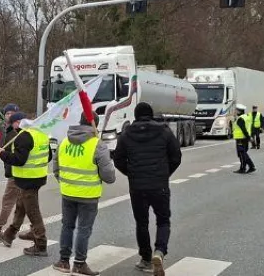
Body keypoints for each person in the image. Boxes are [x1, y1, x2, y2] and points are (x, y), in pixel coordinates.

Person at [111, 101, 181, 276]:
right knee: (163, 220)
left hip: (137, 187)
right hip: (159, 185)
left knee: (141, 223)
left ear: (135, 116)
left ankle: (146, 258)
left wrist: (132, 174)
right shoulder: (164, 130)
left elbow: (118, 159)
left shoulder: (126, 134)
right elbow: (176, 156)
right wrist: (164, 174)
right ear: (151, 114)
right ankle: (160, 251)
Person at [51, 114, 117, 275]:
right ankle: (79, 263)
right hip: (88, 195)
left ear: (80, 122)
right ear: (96, 123)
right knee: (83, 229)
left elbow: (55, 168)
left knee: (67, 226)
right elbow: (109, 176)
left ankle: (63, 261)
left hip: (67, 192)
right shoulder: (97, 144)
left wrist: (66, 182)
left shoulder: (64, 141)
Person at [0, 116, 50, 258]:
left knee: (33, 211)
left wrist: (2, 154)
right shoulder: (41, 134)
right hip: (38, 177)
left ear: (18, 124)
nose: (13, 126)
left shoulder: (23, 137)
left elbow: (19, 160)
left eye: (14, 123)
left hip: (27, 179)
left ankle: (41, 244)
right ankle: (9, 234)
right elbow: (49, 156)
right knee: (21, 206)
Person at [0, 110, 32, 241]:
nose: (8, 118)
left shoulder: (18, 134)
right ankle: (34, 230)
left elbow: (17, 158)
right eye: (7, 113)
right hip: (28, 175)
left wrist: (2, 154)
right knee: (25, 204)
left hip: (17, 174)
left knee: (9, 201)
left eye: (12, 120)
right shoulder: (30, 133)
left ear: (18, 122)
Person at [231, 105, 255, 174]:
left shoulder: (240, 119)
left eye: (236, 110)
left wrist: (249, 137)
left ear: (239, 111)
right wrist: (249, 137)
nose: (235, 111)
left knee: (241, 153)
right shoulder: (246, 117)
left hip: (240, 138)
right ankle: (243, 168)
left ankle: (250, 166)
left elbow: (244, 129)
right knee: (243, 153)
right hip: (245, 138)